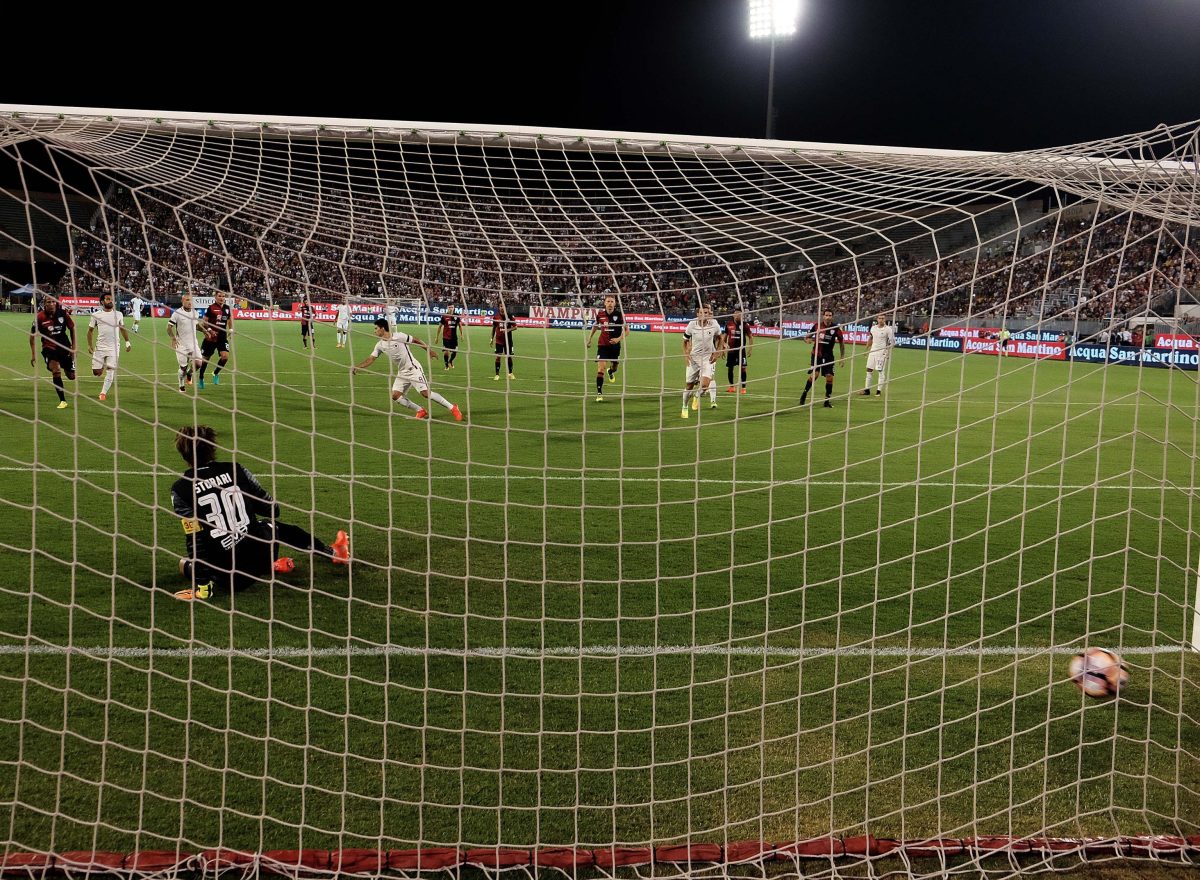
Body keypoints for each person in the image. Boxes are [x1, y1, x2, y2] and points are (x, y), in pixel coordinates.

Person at [170, 425, 350, 600]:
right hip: (261, 556)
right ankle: (334, 553)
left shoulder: (179, 490)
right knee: (273, 527)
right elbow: (272, 509)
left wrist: (202, 589)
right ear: (212, 447)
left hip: (230, 579)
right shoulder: (236, 470)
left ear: (183, 454)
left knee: (184, 563)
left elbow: (195, 542)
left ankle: (215, 582)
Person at [352, 318, 463, 421]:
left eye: (376, 328)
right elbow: (371, 359)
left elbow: (416, 340)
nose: (374, 331)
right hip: (402, 373)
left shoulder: (399, 336)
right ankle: (420, 410)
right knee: (395, 396)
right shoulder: (380, 345)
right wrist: (357, 367)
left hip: (413, 369)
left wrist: (429, 350)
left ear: (382, 328)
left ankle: (453, 407)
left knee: (425, 393)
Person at [29, 294, 76, 409]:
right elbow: (32, 336)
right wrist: (34, 354)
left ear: (56, 303)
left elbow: (72, 328)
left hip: (64, 347)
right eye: (48, 302)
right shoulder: (39, 317)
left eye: (53, 302)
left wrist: (73, 347)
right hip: (49, 348)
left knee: (71, 376)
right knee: (56, 370)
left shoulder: (63, 313)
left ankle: (70, 366)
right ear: (44, 304)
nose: (51, 304)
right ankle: (63, 400)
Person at [680, 304, 725, 419]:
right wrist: (686, 355)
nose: (704, 315)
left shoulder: (714, 324)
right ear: (697, 314)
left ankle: (696, 396)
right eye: (701, 313)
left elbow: (721, 338)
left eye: (706, 312)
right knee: (689, 385)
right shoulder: (691, 325)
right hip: (694, 358)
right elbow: (685, 341)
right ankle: (685, 406)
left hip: (707, 359)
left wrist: (717, 352)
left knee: (705, 385)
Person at [86, 291, 132, 402]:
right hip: (100, 347)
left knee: (111, 370)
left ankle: (103, 393)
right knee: (96, 372)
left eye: (111, 299)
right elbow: (90, 331)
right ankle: (101, 366)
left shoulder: (119, 314)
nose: (110, 301)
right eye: (107, 299)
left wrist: (127, 342)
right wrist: (89, 345)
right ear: (102, 302)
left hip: (114, 347)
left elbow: (122, 328)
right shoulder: (96, 315)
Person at [800, 309, 844, 408]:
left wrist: (842, 357)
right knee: (815, 375)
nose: (828, 317)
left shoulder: (836, 328)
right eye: (826, 315)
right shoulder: (817, 326)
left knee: (830, 377)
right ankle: (804, 393)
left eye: (830, 315)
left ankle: (827, 400)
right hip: (816, 355)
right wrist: (807, 340)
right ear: (823, 316)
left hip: (829, 356)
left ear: (832, 317)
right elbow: (806, 337)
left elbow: (841, 342)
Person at [586, 294, 625, 401]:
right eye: (608, 301)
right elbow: (595, 326)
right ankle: (599, 393)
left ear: (615, 303)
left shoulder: (619, 315)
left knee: (614, 367)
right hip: (602, 345)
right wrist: (589, 339)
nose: (610, 303)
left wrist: (618, 339)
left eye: (612, 301)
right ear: (605, 303)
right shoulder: (600, 315)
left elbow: (627, 330)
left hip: (615, 346)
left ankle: (611, 372)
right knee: (600, 368)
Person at [168, 293, 204, 392]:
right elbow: (169, 327)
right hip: (181, 345)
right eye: (187, 300)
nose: (189, 302)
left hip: (193, 343)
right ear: (182, 301)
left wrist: (205, 331)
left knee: (199, 364)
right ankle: (181, 384)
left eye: (191, 300)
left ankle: (190, 373)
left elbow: (196, 325)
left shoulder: (195, 313)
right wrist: (173, 338)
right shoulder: (177, 313)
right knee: (183, 368)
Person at [197, 290, 233, 389]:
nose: (222, 298)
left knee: (225, 357)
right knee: (204, 361)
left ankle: (215, 373)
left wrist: (230, 329)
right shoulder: (211, 308)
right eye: (220, 296)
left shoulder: (227, 308)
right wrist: (209, 330)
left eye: (223, 296)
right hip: (210, 338)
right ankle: (201, 378)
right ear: (215, 297)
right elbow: (204, 321)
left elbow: (229, 320)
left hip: (222, 337)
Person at [862, 313, 896, 396]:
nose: (881, 320)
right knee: (869, 370)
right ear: (877, 319)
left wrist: (887, 352)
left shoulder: (888, 329)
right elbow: (871, 338)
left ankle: (878, 391)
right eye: (879, 318)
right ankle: (867, 390)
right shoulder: (873, 328)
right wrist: (866, 349)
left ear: (885, 319)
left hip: (882, 353)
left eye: (883, 318)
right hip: (872, 352)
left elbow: (892, 342)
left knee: (880, 371)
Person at [723, 306, 753, 394]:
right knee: (730, 369)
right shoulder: (728, 324)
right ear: (733, 315)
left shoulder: (745, 325)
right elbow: (724, 337)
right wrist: (723, 348)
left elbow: (750, 337)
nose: (737, 315)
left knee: (743, 369)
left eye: (739, 314)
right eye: (736, 313)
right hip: (731, 351)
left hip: (741, 351)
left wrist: (750, 349)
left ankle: (743, 388)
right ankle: (731, 387)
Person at [492, 301, 516, 380]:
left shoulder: (509, 316)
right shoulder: (496, 317)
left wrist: (507, 330)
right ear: (499, 307)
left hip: (508, 340)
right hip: (499, 340)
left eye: (503, 306)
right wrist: (492, 338)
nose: (502, 308)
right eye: (500, 306)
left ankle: (510, 373)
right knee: (498, 357)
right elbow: (494, 328)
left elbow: (515, 327)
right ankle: (497, 375)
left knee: (509, 357)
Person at [439, 304, 462, 369]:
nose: (450, 308)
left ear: (454, 308)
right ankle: (446, 365)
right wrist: (437, 337)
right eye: (449, 307)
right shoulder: (444, 316)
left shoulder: (456, 315)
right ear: (447, 308)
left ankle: (450, 361)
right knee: (446, 351)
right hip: (446, 337)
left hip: (454, 337)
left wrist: (461, 335)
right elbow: (440, 326)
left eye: (452, 307)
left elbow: (460, 325)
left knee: (455, 352)